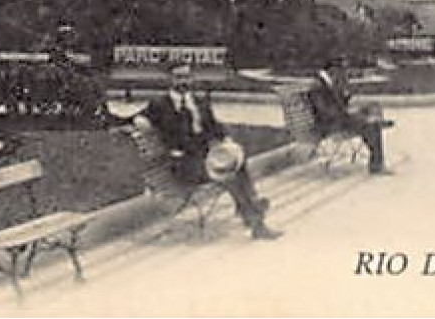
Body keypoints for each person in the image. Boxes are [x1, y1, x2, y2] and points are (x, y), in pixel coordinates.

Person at [138, 65, 278, 240]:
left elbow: (214, 127)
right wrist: (141, 122)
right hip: (182, 165)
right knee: (229, 175)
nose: (183, 81)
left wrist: (226, 139)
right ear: (170, 80)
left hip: (204, 160)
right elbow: (139, 117)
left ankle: (252, 204)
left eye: (186, 77)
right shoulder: (160, 105)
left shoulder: (198, 101)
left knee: (238, 162)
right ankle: (255, 219)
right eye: (178, 77)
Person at [309, 59, 388, 174]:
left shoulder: (328, 82)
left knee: (371, 109)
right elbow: (324, 111)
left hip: (338, 120)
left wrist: (344, 96)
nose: (342, 74)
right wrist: (345, 114)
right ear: (332, 70)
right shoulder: (317, 86)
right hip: (329, 125)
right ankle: (376, 164)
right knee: (370, 124)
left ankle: (374, 123)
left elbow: (336, 103)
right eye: (340, 71)